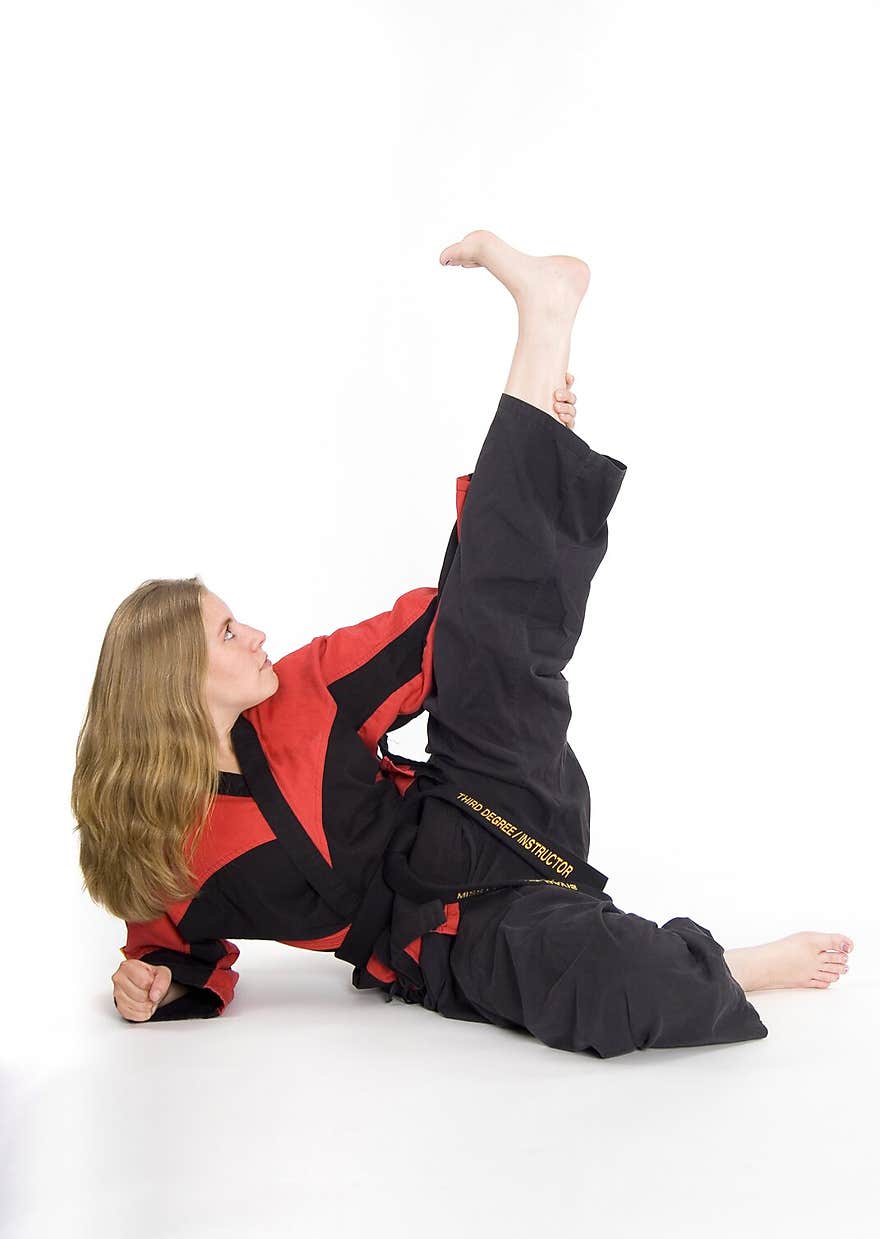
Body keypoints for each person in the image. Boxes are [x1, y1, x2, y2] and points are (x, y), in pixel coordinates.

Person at [71, 229, 853, 1059]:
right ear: (173, 687)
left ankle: (544, 323)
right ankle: (733, 965)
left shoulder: (306, 688)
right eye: (228, 632)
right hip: (450, 934)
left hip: (497, 798)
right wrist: (149, 988)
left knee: (480, 630)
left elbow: (451, 621)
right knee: (591, 984)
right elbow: (172, 956)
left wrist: (528, 470)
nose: (257, 631)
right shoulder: (165, 854)